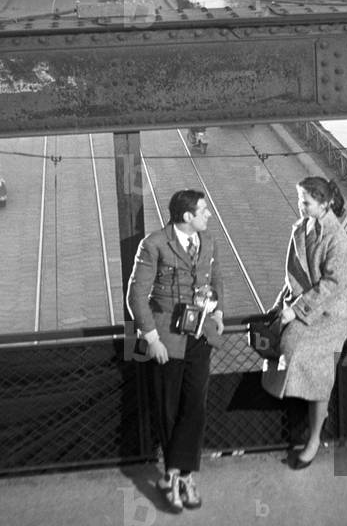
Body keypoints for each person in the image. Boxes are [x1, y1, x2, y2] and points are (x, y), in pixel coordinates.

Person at [126, 190, 225, 513]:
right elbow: (136, 296)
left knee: (194, 405)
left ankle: (179, 475)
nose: (208, 215)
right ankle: (178, 476)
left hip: (200, 337)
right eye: (203, 210)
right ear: (187, 217)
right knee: (169, 408)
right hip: (168, 339)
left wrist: (219, 312)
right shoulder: (154, 245)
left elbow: (216, 279)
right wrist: (151, 338)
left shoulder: (207, 242)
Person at [262, 177, 347, 470]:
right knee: (289, 349)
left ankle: (314, 438)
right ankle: (312, 427)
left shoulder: (338, 239)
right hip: (305, 308)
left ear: (324, 204)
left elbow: (334, 283)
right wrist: (279, 307)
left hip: (329, 316)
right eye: (300, 200)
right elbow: (291, 276)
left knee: (313, 366)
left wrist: (297, 310)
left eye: (306, 202)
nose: (300, 207)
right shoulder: (300, 229)